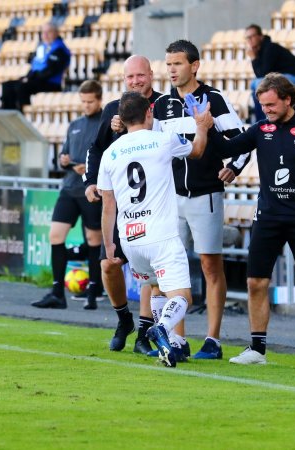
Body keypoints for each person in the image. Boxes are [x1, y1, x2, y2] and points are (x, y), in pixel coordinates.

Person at [204, 73, 295, 369]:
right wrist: (208, 128)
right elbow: (230, 149)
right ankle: (257, 348)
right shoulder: (260, 129)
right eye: (262, 105)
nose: (266, 110)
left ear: (287, 99)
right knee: (256, 282)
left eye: (271, 104)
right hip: (267, 217)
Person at [151, 39, 250, 360]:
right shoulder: (163, 104)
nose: (171, 70)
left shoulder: (214, 99)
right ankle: (177, 341)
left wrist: (234, 166)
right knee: (171, 270)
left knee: (210, 264)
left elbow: (244, 139)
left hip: (206, 193)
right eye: (168, 65)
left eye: (177, 64)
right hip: (171, 199)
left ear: (194, 66)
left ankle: (213, 340)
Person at [98, 91, 213, 367]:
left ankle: (174, 343)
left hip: (130, 239)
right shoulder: (163, 140)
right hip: (161, 235)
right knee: (182, 296)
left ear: (122, 120)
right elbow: (197, 151)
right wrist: (201, 126)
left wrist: (110, 245)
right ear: (149, 113)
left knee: (158, 287)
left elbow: (108, 206)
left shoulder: (110, 153)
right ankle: (161, 329)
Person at [83, 55, 163, 354]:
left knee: (148, 271)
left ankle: (144, 333)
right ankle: (123, 319)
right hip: (119, 204)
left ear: (151, 75)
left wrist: (132, 128)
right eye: (130, 77)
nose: (135, 82)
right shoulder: (111, 110)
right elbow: (96, 148)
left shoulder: (164, 105)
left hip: (153, 202)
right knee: (109, 264)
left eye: (140, 76)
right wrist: (90, 181)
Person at [32, 80, 104, 310]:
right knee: (55, 235)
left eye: (90, 102)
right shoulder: (74, 125)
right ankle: (56, 292)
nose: (86, 106)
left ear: (99, 100)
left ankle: (93, 291)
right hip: (69, 187)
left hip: (92, 189)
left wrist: (91, 169)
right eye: (83, 102)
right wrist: (65, 160)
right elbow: (64, 154)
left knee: (94, 240)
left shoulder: (106, 124)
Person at [0, 23, 70, 111]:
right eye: (43, 33)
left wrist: (31, 79)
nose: (45, 35)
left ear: (56, 33)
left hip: (51, 83)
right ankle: (8, 114)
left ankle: (23, 114)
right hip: (37, 80)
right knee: (7, 85)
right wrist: (27, 77)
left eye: (49, 32)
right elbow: (35, 67)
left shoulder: (59, 49)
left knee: (22, 87)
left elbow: (51, 71)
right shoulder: (42, 48)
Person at [245, 24, 295, 122]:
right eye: (247, 38)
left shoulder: (270, 48)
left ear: (260, 36)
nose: (250, 40)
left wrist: (253, 58)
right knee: (255, 85)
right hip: (282, 77)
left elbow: (263, 74)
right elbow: (261, 75)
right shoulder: (260, 50)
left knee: (257, 83)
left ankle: (263, 121)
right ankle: (262, 121)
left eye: (252, 36)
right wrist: (254, 58)